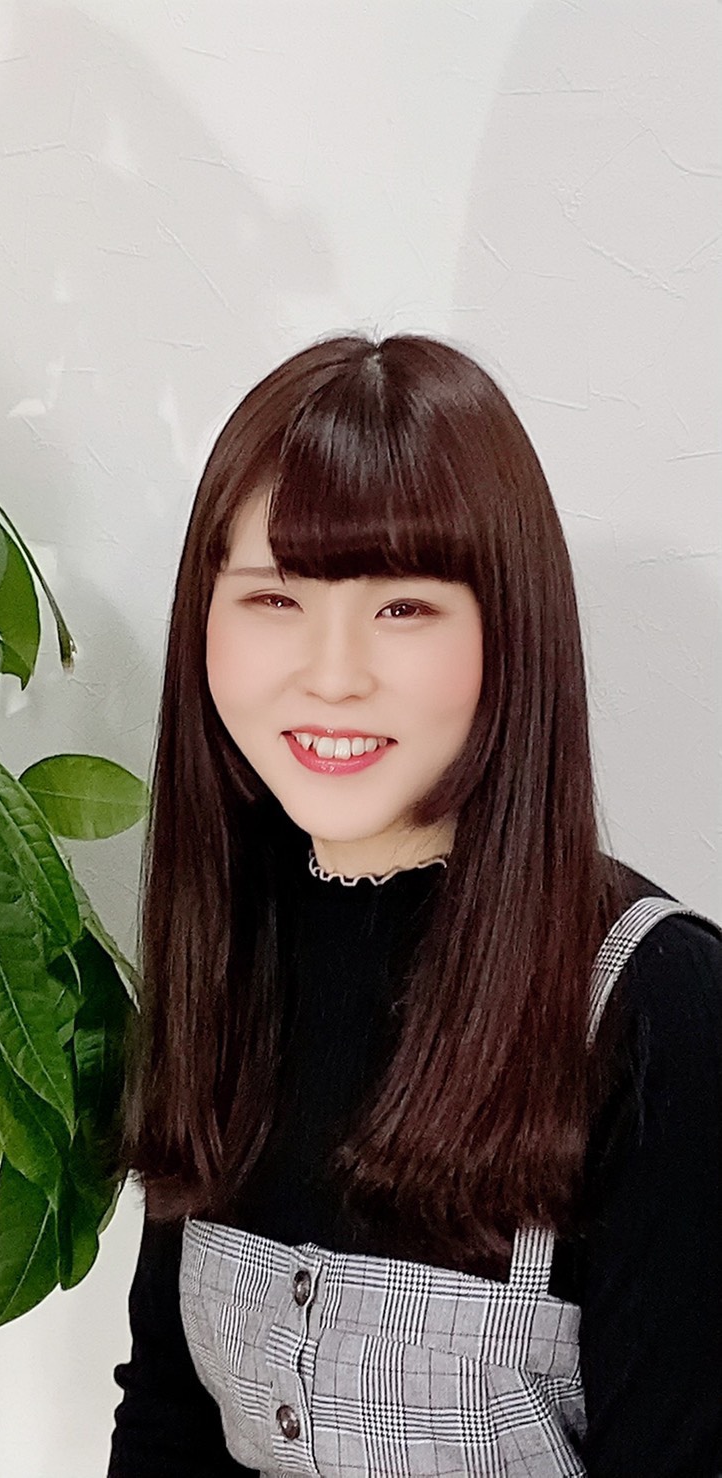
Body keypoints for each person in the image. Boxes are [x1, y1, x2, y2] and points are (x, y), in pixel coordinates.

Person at [105, 334, 722, 1477]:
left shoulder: (656, 1001)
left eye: (402, 607)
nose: (332, 672)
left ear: (508, 631)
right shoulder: (229, 951)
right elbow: (166, 1423)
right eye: (275, 597)